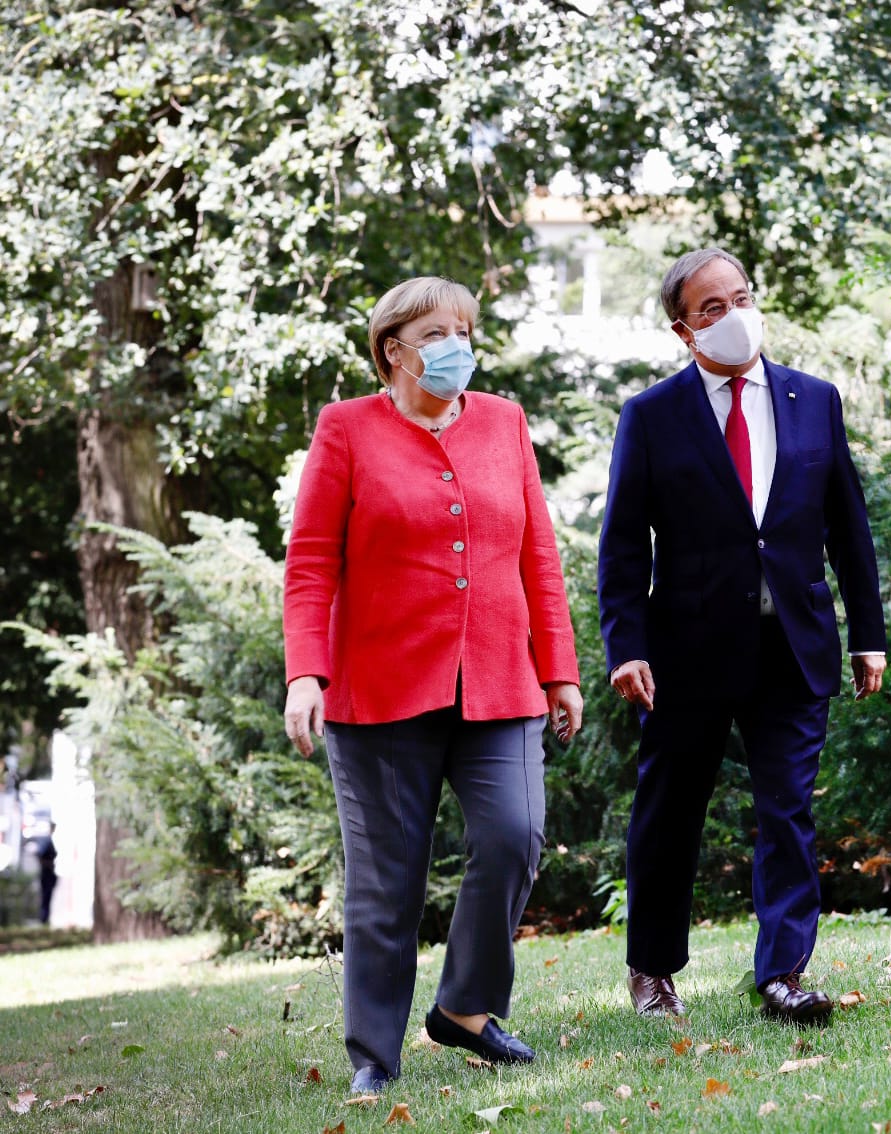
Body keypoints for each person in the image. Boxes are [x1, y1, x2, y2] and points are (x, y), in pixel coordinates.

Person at [282, 276, 583, 1094]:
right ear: (394, 350)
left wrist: (558, 668)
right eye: (439, 331)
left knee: (515, 836)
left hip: (499, 682)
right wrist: (306, 671)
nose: (458, 343)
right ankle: (374, 1058)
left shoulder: (503, 422)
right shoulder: (346, 429)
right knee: (387, 882)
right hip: (377, 692)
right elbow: (310, 563)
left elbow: (538, 556)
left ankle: (466, 1010)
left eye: (466, 328)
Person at [597, 248, 887, 1026]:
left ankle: (782, 975)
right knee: (669, 813)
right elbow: (623, 545)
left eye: (741, 298)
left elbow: (847, 525)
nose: (733, 316)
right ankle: (653, 970)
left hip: (792, 644)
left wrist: (870, 634)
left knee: (788, 810)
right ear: (682, 330)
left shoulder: (812, 398)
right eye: (711, 308)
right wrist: (625, 647)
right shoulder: (651, 416)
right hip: (684, 655)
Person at [35, 823, 56, 925]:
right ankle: (43, 919)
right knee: (45, 897)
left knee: (47, 897)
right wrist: (48, 865)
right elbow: (39, 855)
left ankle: (44, 919)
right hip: (46, 874)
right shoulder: (46, 842)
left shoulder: (48, 841)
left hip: (49, 874)